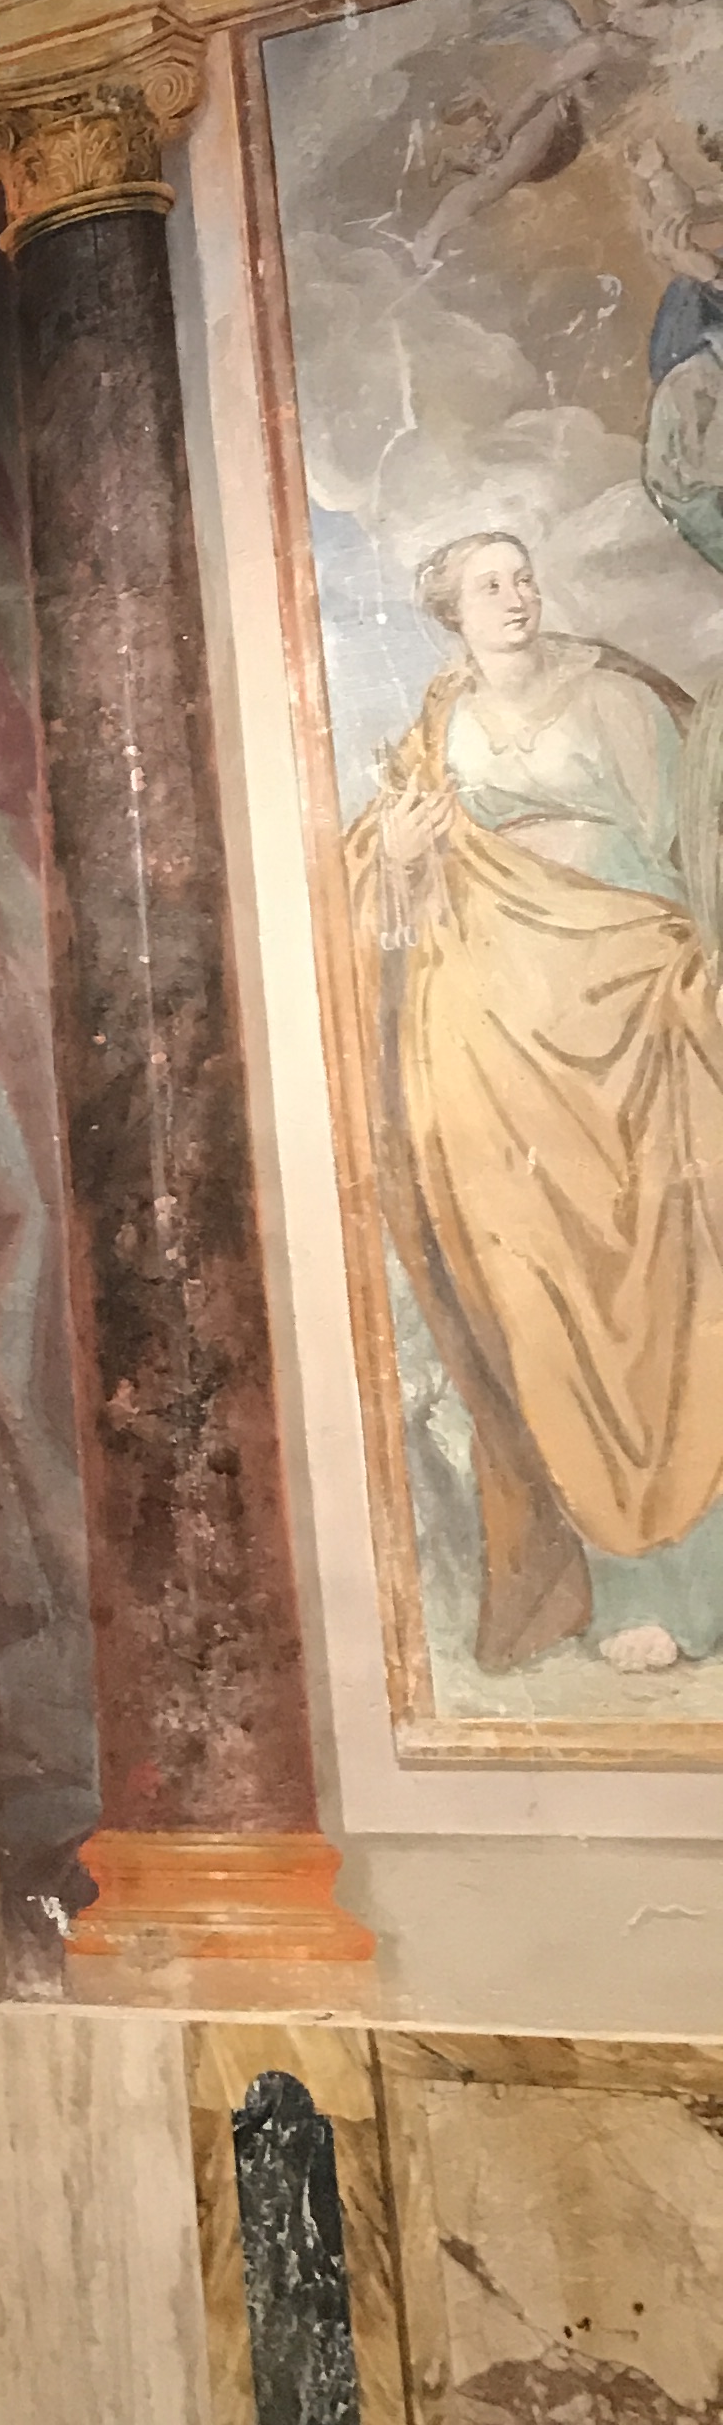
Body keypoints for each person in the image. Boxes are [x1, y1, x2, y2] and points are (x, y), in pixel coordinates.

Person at [349, 530, 723, 1673]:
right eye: (489, 585)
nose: (515, 597)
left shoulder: (615, 700)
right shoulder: (435, 731)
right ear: (450, 610)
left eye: (522, 578)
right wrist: (398, 855)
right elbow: (375, 893)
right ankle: (618, 1590)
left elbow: (693, 852)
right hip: (500, 1051)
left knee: (669, 1291)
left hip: (635, 1015)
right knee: (548, 1307)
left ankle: (695, 1591)